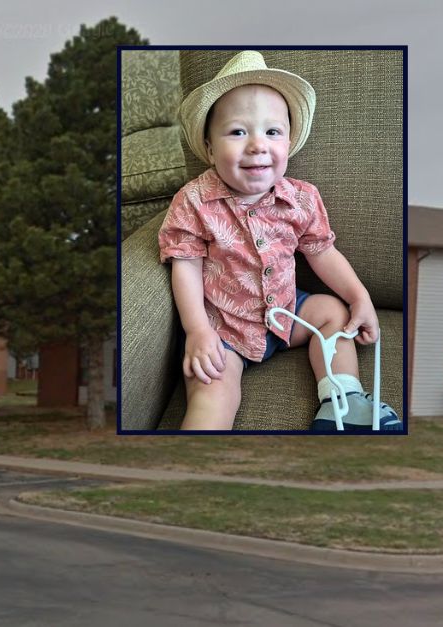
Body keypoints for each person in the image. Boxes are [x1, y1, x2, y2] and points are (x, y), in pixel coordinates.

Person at [157, 51, 402, 431]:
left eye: (272, 132)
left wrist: (359, 298)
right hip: (226, 328)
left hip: (287, 313)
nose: (257, 145)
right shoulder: (193, 200)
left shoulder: (301, 198)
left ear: (289, 142)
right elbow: (185, 265)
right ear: (208, 148)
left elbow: (323, 252)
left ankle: (343, 401)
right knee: (212, 388)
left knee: (331, 311)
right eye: (238, 131)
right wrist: (198, 331)